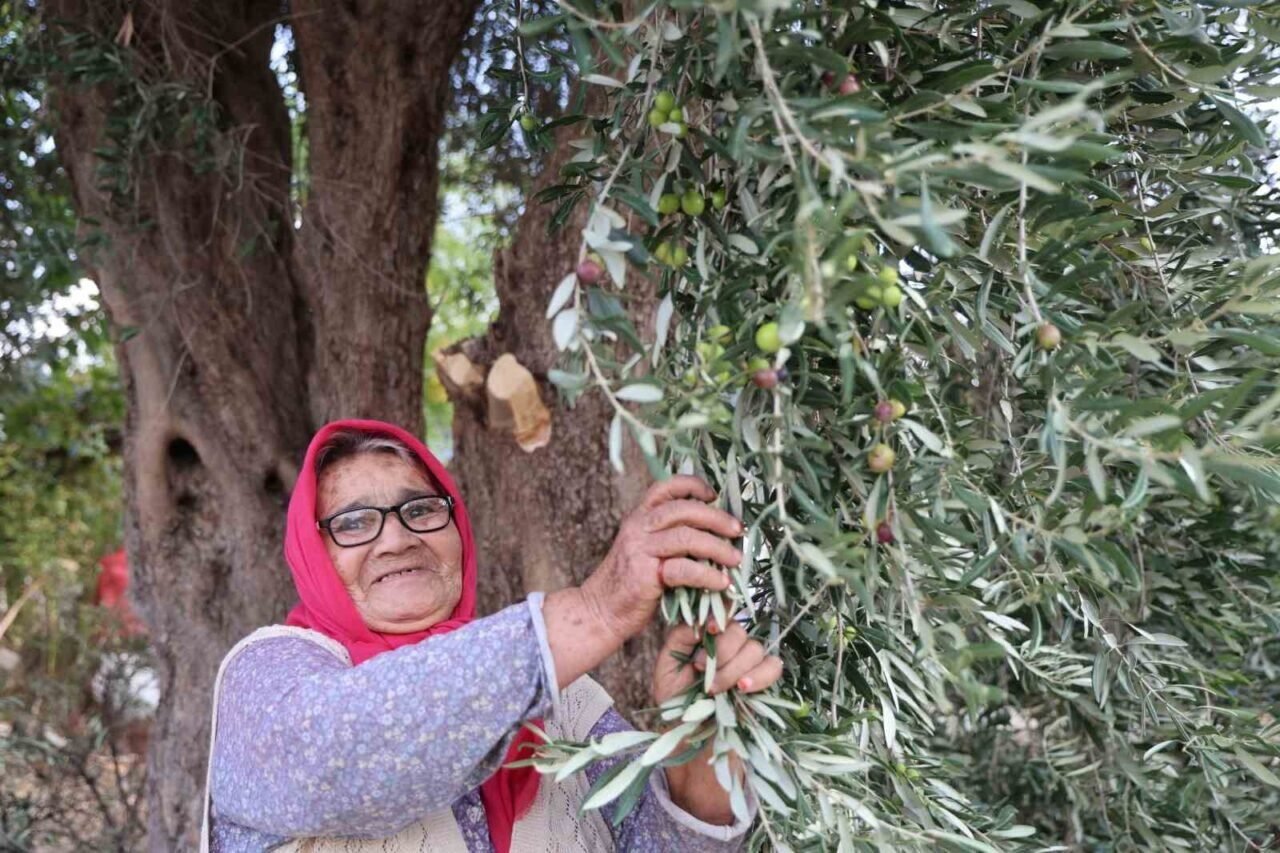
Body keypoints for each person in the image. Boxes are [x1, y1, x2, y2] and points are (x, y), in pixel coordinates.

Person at [201, 418, 783, 852]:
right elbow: (334, 758)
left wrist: (697, 741)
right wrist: (595, 612)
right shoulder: (266, 677)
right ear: (312, 552)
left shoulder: (565, 700)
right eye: (353, 523)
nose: (396, 539)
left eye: (421, 510)